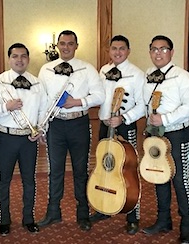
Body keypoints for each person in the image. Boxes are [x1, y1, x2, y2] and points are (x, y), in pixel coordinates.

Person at [37, 30, 105, 231]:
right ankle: (53, 212)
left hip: (79, 124)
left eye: (70, 43)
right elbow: (42, 100)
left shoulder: (87, 68)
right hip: (55, 125)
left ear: (76, 45)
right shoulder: (46, 69)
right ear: (57, 46)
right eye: (62, 43)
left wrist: (79, 101)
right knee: (55, 171)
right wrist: (42, 126)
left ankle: (82, 212)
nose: (66, 47)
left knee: (80, 170)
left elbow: (99, 95)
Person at [0, 43, 47, 236]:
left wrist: (41, 129)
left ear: (28, 59)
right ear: (9, 59)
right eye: (15, 56)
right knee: (4, 180)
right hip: (6, 138)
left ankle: (29, 218)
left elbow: (43, 111)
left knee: (30, 181)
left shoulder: (37, 82)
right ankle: (4, 219)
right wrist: (6, 107)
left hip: (29, 140)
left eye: (23, 56)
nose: (19, 60)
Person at [89, 35, 145, 235]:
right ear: (109, 50)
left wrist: (124, 118)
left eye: (122, 48)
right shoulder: (103, 71)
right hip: (104, 126)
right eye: (114, 48)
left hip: (124, 126)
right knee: (105, 166)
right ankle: (104, 206)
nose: (118, 52)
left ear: (128, 51)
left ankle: (133, 216)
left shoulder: (137, 74)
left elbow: (143, 105)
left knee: (129, 170)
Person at [142, 35, 189, 243]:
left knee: (181, 181)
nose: (158, 53)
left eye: (163, 49)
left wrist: (166, 118)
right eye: (154, 49)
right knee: (158, 176)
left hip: (177, 133)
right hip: (154, 134)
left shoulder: (182, 76)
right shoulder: (148, 74)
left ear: (172, 52)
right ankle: (163, 220)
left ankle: (187, 225)